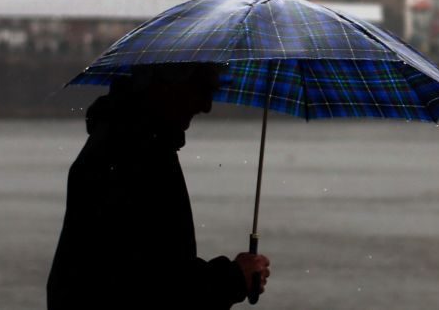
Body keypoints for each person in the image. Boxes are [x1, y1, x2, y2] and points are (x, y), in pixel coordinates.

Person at [47, 63, 271, 309]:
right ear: (168, 84)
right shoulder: (137, 154)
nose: (206, 106)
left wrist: (233, 277)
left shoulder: (121, 140)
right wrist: (234, 277)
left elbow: (149, 268)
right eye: (201, 88)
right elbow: (154, 287)